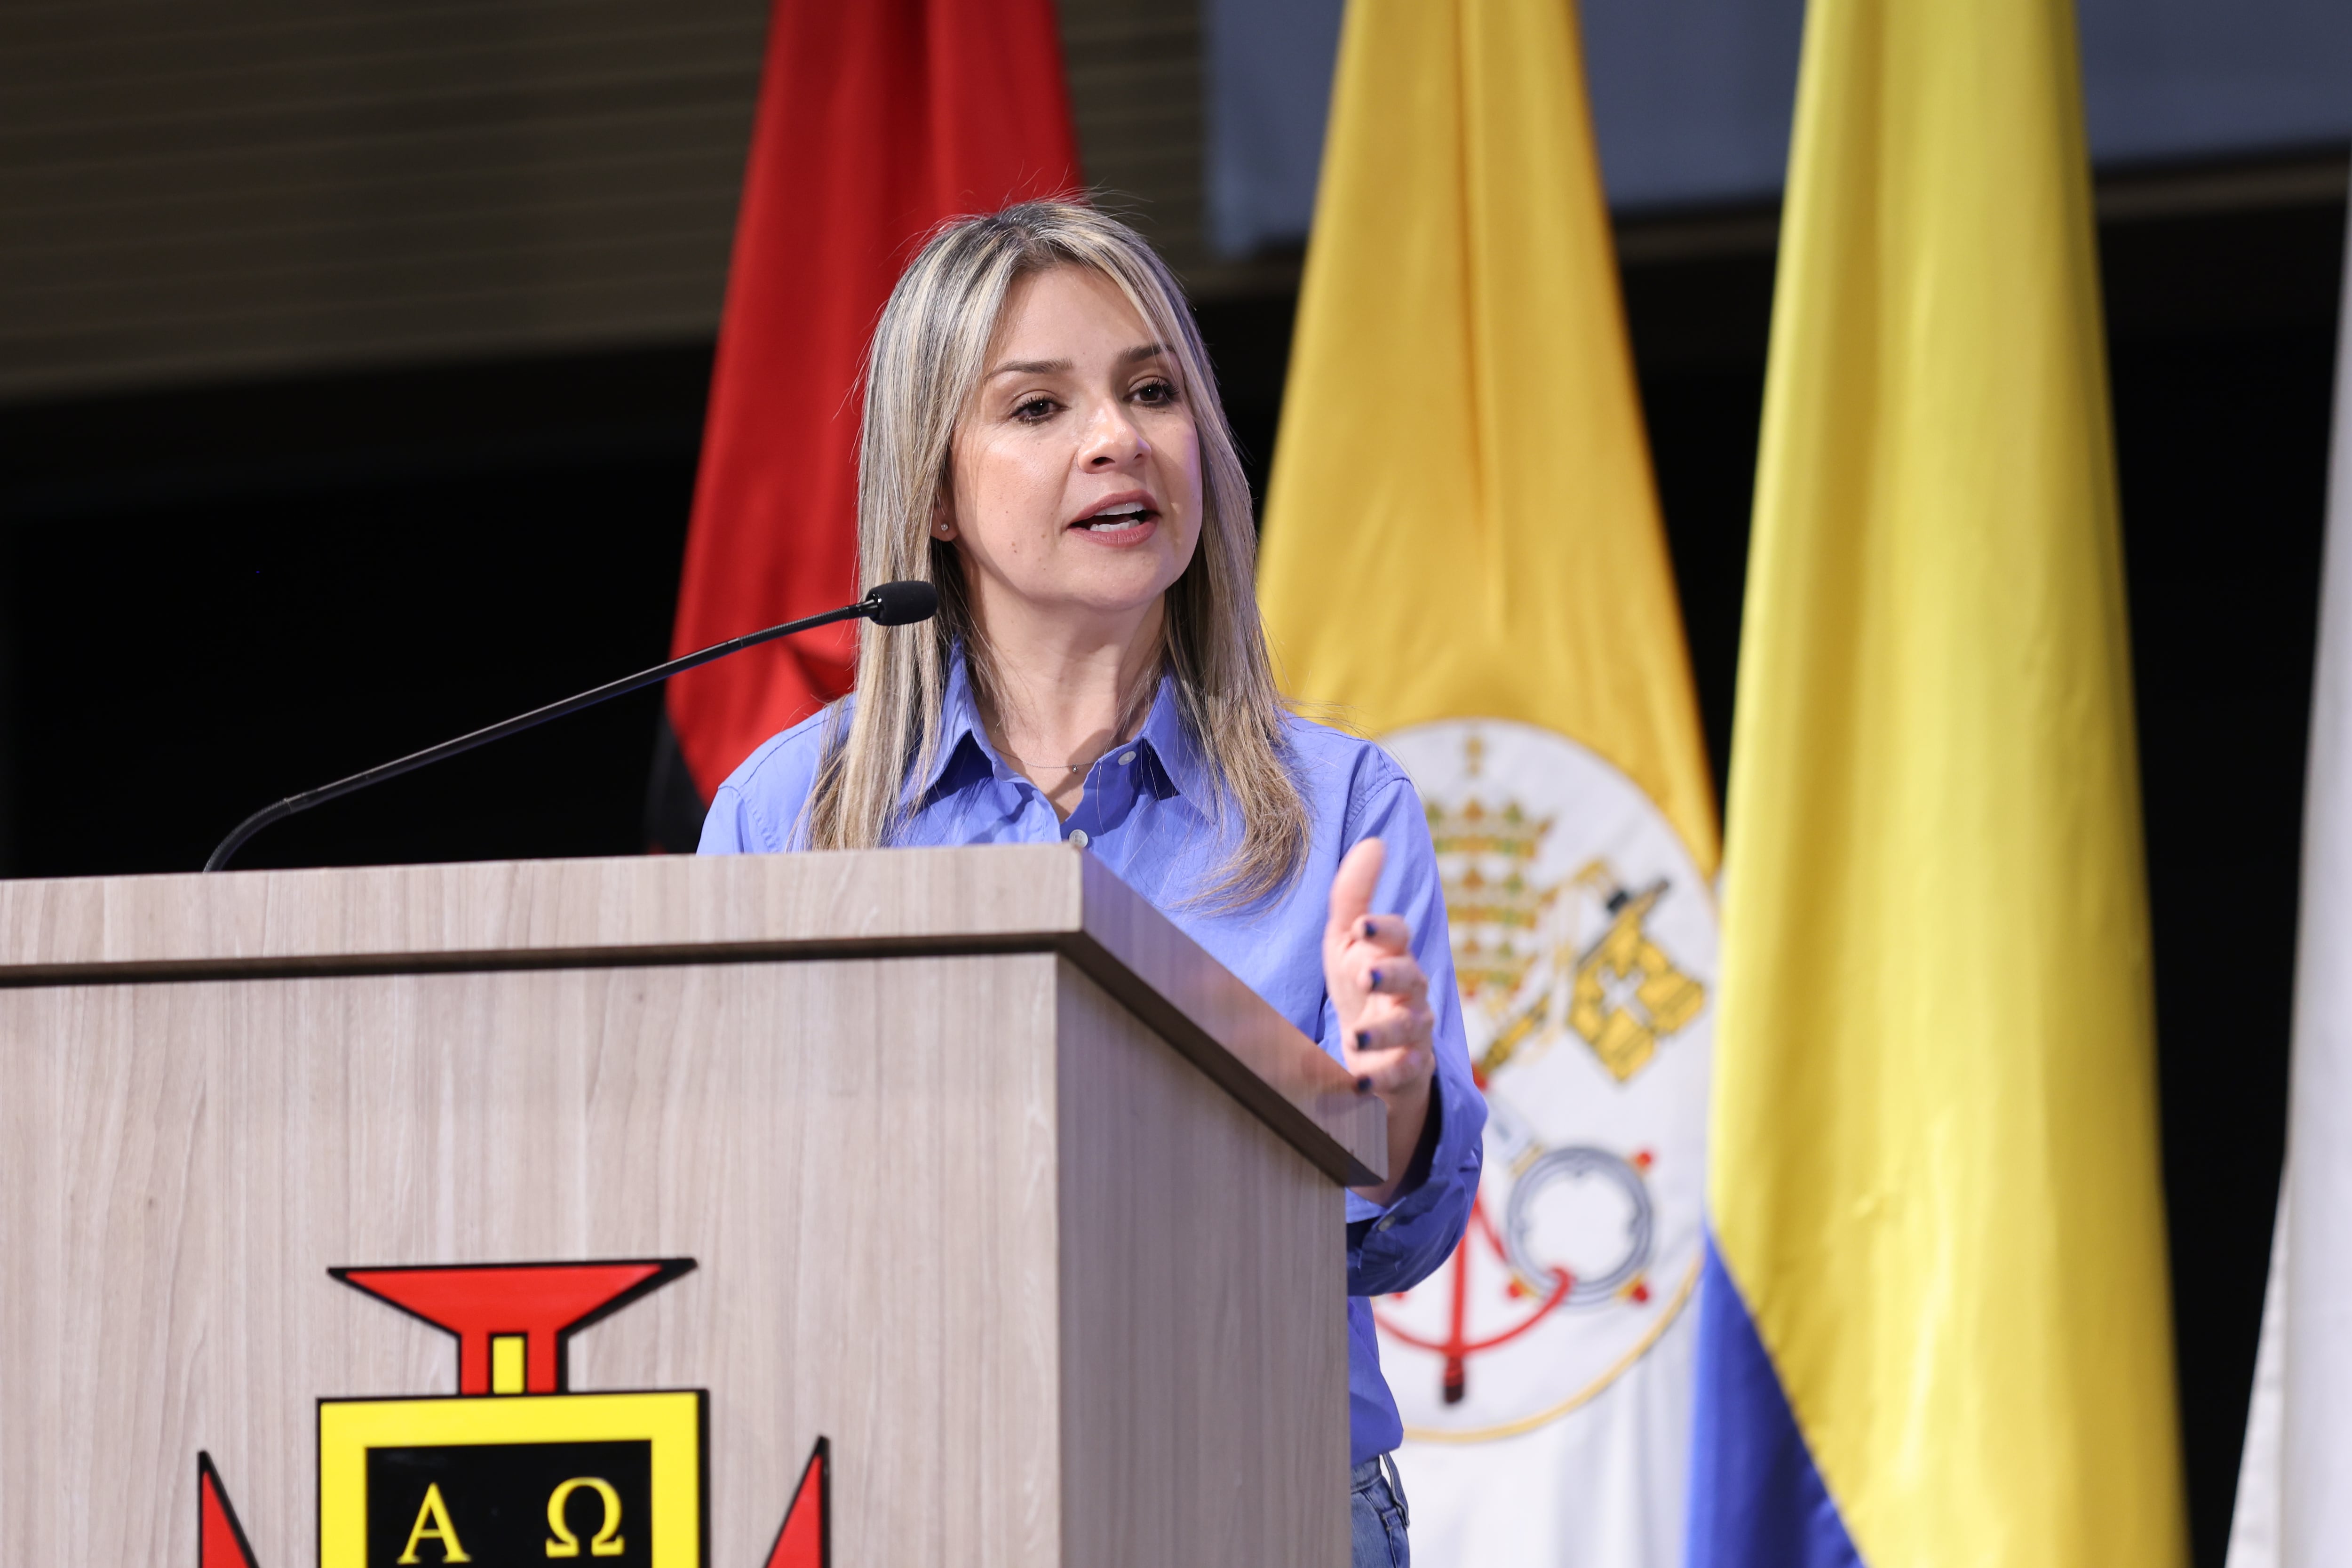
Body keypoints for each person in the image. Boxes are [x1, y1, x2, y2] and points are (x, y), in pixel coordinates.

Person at [698, 199, 1482, 1568]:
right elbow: (725, 1216)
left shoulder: (1341, 808)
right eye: (1039, 407)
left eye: (1152, 391)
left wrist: (1395, 1102)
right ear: (933, 494)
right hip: (905, 1511)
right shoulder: (790, 818)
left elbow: (1397, 1245)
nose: (1117, 438)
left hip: (1262, 1503)